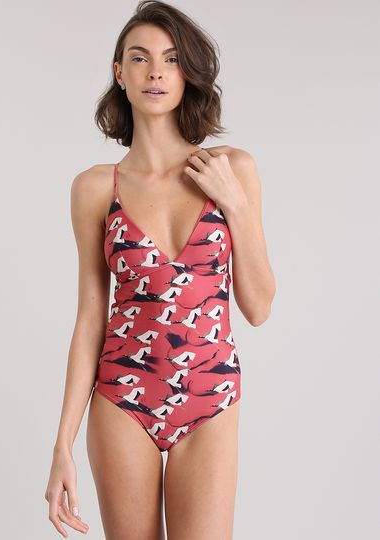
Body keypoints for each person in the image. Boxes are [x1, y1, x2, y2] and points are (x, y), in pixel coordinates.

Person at [45, 1, 276, 538]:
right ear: (119, 72)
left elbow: (259, 307)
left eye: (171, 60)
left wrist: (234, 203)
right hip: (122, 401)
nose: (155, 72)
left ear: (186, 74)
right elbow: (90, 318)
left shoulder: (232, 169)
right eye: (140, 58)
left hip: (209, 398)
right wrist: (62, 444)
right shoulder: (95, 188)